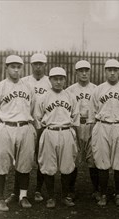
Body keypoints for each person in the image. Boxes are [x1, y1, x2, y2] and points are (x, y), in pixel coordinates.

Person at [5, 53, 51, 204]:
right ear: (31, 65)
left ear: (45, 65)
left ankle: (38, 190)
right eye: (35, 64)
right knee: (21, 159)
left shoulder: (50, 83)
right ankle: (16, 192)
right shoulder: (24, 82)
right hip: (28, 125)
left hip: (44, 126)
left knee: (42, 159)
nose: (38, 67)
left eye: (41, 64)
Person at [89, 59, 119, 207]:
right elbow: (92, 113)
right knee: (102, 162)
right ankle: (103, 194)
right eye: (109, 69)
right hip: (103, 125)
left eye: (115, 70)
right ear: (105, 71)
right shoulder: (98, 90)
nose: (113, 72)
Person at [34, 67, 79, 208]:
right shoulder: (43, 97)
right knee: (48, 166)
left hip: (66, 131)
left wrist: (75, 137)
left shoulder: (71, 96)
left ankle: (65, 196)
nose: (58, 82)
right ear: (50, 80)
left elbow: (75, 117)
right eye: (55, 79)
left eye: (61, 79)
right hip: (49, 131)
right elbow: (37, 118)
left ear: (65, 80)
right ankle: (51, 197)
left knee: (67, 165)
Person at [0, 55, 36, 211]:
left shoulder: (28, 87)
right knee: (1, 163)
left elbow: (32, 108)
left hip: (25, 126)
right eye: (13, 66)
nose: (16, 69)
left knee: (25, 163)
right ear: (6, 68)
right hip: (6, 127)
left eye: (19, 67)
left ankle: (22, 196)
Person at [66, 60, 97, 201]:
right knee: (73, 157)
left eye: (86, 70)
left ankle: (96, 189)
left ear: (90, 72)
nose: (84, 73)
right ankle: (70, 190)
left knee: (94, 158)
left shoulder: (97, 89)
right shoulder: (70, 90)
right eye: (81, 71)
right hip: (76, 125)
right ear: (76, 72)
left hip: (92, 124)